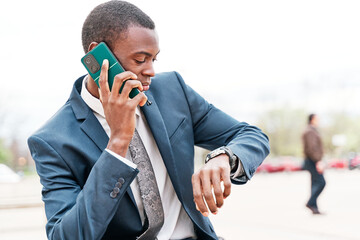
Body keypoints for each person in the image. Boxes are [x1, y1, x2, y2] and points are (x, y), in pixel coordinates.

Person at [27, 1, 270, 239]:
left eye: (154, 59)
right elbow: (66, 235)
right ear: (97, 55)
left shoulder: (173, 91)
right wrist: (117, 143)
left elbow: (252, 136)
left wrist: (224, 157)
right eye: (140, 59)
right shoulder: (53, 141)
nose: (151, 70)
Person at [302, 113, 326, 215]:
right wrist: (318, 161)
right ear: (312, 119)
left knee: (315, 183)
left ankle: (314, 207)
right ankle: (310, 202)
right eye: (317, 119)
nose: (318, 121)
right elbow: (312, 148)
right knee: (321, 182)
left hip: (311, 160)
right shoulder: (310, 131)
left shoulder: (310, 130)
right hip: (312, 160)